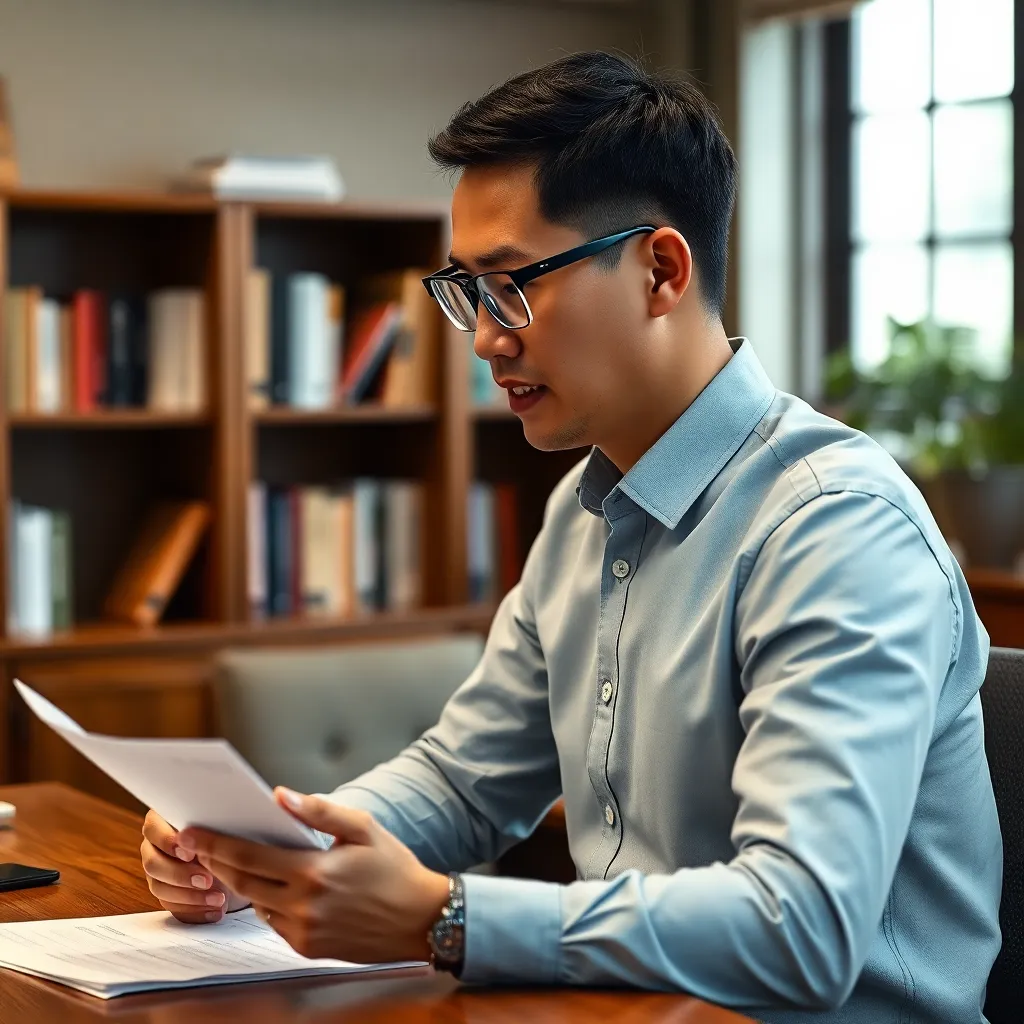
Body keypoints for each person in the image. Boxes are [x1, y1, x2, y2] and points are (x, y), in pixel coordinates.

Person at [139, 51, 1001, 1022]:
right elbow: (464, 779)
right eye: (465, 291)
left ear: (661, 271)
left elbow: (799, 925)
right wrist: (277, 849)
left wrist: (449, 918)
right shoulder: (580, 511)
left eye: (512, 285)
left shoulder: (837, 528)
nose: (483, 339)